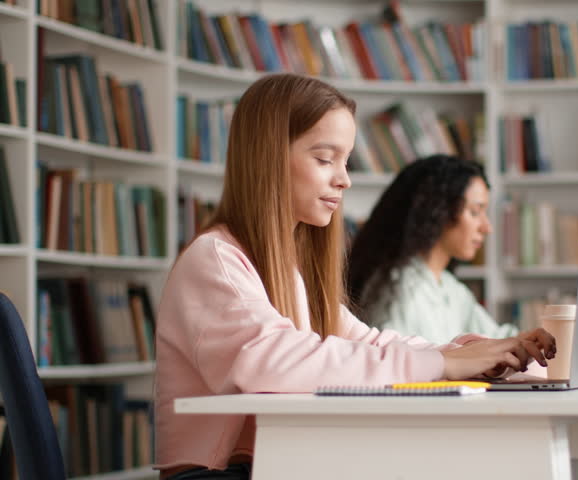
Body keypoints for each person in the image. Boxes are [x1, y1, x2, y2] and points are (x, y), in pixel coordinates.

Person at [153, 74, 556, 480]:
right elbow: (269, 362)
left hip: (278, 463)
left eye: (345, 162)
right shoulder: (215, 259)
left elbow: (368, 341)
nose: (344, 179)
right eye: (325, 159)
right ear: (267, 157)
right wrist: (440, 362)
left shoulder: (290, 269)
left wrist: (480, 354)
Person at [347, 155, 517, 344]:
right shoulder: (402, 292)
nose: (487, 227)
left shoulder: (449, 288)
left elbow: (499, 340)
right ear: (439, 211)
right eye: (475, 212)